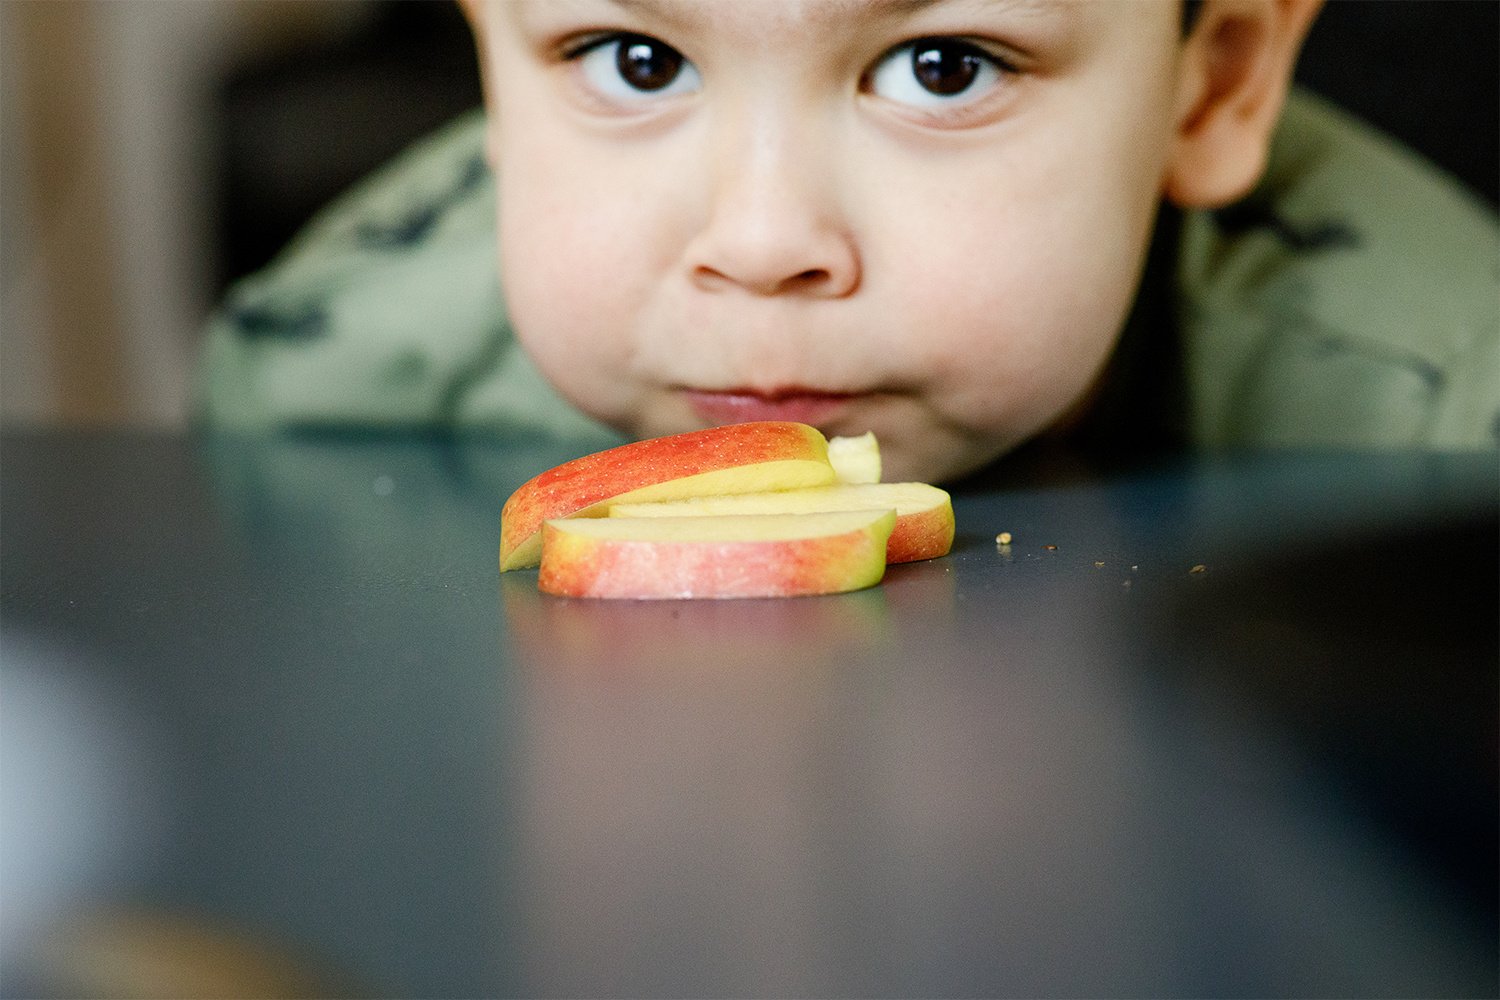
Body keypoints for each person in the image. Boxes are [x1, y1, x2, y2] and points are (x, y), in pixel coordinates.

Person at [198, 0, 1499, 484]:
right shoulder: (325, 389)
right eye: (635, 59)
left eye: (942, 67)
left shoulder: (1451, 414)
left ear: (1210, 89)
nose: (764, 243)